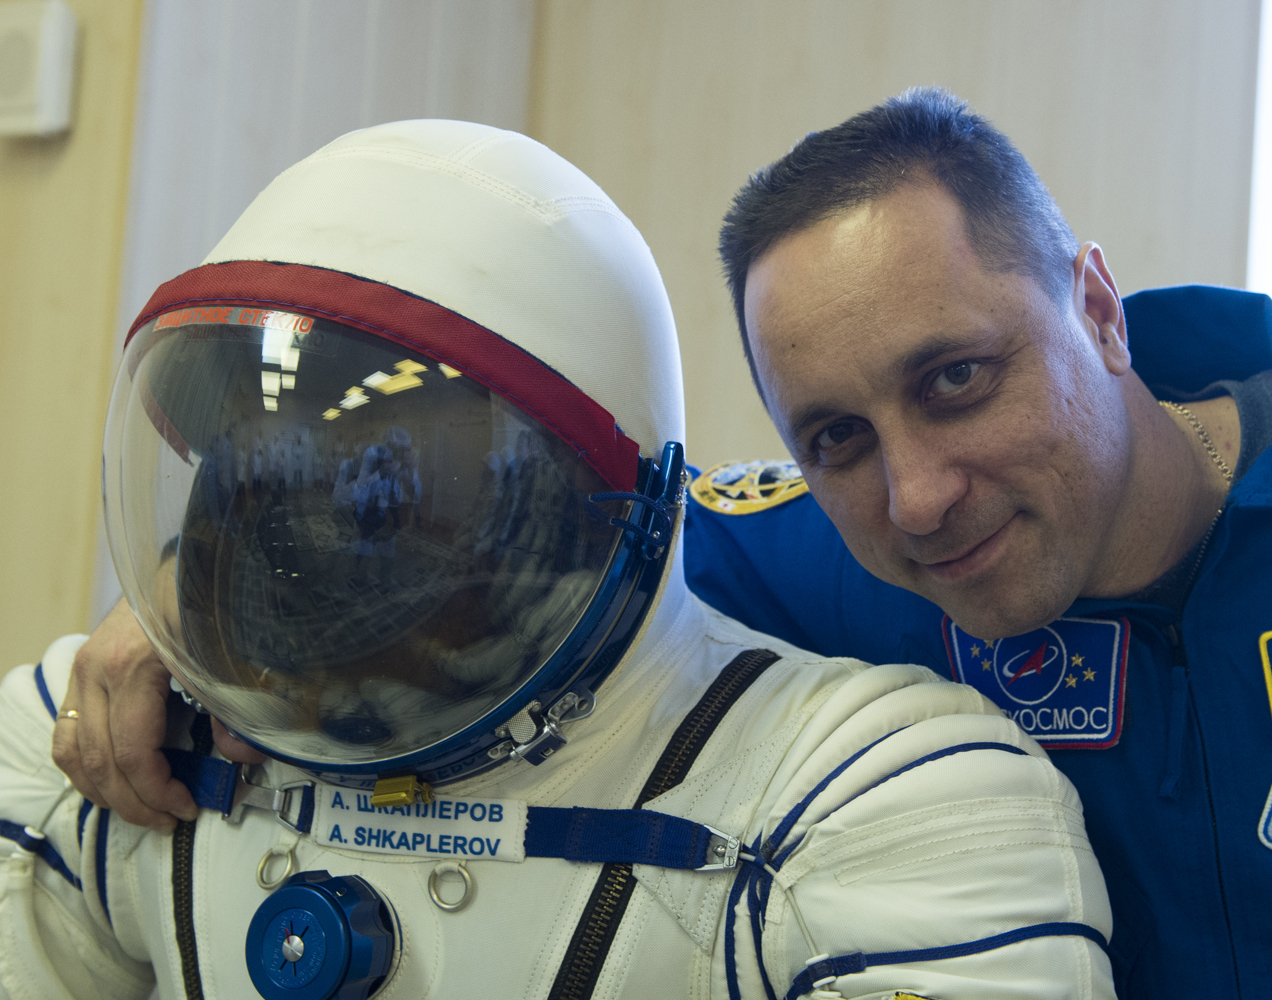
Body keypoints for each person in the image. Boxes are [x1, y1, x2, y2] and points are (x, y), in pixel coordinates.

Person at [51, 90, 1272, 997]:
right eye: (837, 437)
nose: (917, 497)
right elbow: (489, 548)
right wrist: (191, 605)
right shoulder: (798, 555)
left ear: (1099, 309)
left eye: (957, 379)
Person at [2, 119, 1112, 1000]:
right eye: (267, 474)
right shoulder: (98, 736)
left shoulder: (875, 797)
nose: (320, 524)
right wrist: (189, 624)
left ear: (578, 511)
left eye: (392, 487)